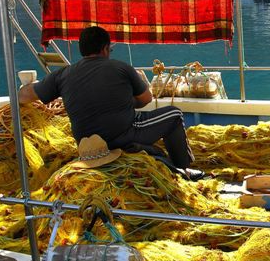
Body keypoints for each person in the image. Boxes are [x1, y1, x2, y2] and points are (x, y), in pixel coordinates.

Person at [18, 26, 205, 180]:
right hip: (122, 134)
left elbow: (24, 96)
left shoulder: (62, 74)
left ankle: (145, 150)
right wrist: (125, 101)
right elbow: (146, 99)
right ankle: (183, 170)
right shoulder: (121, 67)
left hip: (88, 144)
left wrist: (26, 86)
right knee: (173, 114)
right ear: (105, 49)